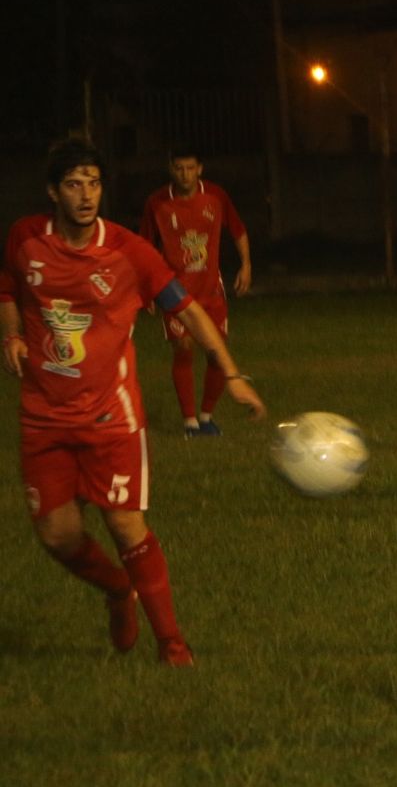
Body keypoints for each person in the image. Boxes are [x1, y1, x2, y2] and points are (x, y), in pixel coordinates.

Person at [0, 139, 266, 666]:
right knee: (58, 535)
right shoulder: (25, 238)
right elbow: (8, 287)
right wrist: (10, 334)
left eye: (94, 183)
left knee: (125, 524)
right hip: (44, 418)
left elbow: (187, 311)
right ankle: (120, 591)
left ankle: (172, 643)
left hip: (110, 417)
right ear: (53, 191)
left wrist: (230, 372)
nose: (85, 195)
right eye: (74, 184)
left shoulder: (128, 251)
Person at [140, 145, 252, 436]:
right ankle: (189, 421)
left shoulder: (215, 195)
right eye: (179, 168)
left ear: (200, 168)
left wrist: (246, 264)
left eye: (190, 168)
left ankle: (206, 417)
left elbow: (238, 229)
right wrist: (146, 288)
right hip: (174, 290)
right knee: (184, 349)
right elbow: (144, 247)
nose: (185, 174)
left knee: (216, 352)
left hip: (210, 290)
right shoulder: (157, 202)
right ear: (170, 169)